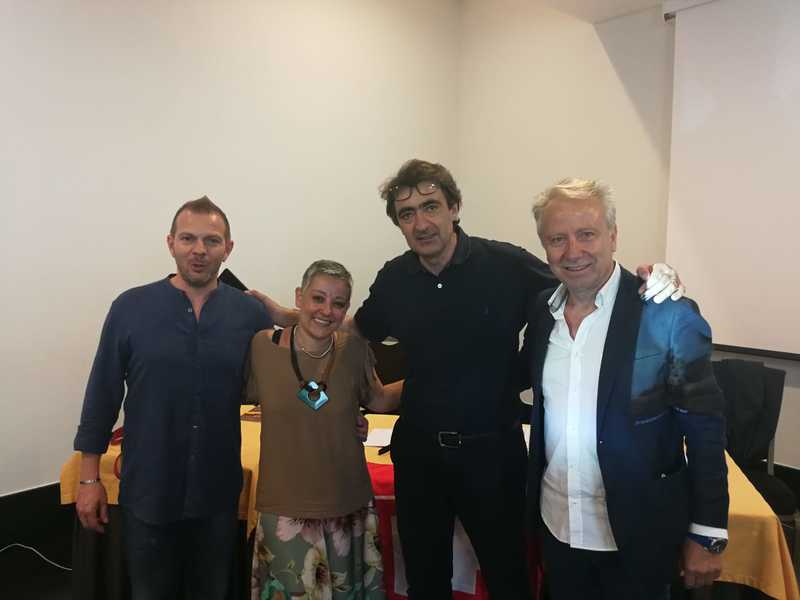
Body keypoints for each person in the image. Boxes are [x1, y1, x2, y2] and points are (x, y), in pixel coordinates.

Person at [252, 159, 684, 600]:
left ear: (454, 207)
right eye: (407, 214)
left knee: (509, 579)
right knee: (425, 582)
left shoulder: (506, 264)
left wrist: (647, 282)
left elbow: (579, 282)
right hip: (420, 455)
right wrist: (294, 316)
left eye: (431, 206)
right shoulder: (396, 278)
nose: (421, 223)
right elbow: (357, 330)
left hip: (493, 455)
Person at [523, 179, 728, 599]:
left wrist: (707, 532)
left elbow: (705, 431)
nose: (573, 251)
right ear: (544, 246)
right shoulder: (543, 313)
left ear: (613, 236)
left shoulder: (665, 314)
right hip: (558, 527)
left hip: (640, 536)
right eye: (558, 239)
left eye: (587, 234)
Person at [73, 196, 273, 600]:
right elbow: (102, 394)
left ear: (228, 249)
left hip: (217, 493)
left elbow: (287, 379)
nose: (199, 250)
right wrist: (89, 479)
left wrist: (332, 407)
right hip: (148, 489)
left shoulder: (249, 315)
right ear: (170, 243)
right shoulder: (130, 308)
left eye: (211, 240)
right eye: (188, 238)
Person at [246, 260, 401, 600]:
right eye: (318, 298)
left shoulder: (354, 348)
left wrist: (431, 375)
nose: (326, 311)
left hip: (346, 503)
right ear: (299, 297)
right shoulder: (261, 346)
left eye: (338, 303)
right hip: (284, 506)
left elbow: (378, 400)